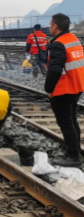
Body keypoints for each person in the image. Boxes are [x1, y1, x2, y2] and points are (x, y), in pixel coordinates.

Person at [45, 13, 84, 167]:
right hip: (77, 86)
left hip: (64, 89)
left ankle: (73, 157)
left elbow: (54, 70)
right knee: (72, 120)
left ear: (55, 26)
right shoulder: (74, 40)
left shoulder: (58, 44)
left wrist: (48, 89)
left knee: (66, 123)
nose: (49, 26)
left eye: (50, 24)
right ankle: (75, 152)